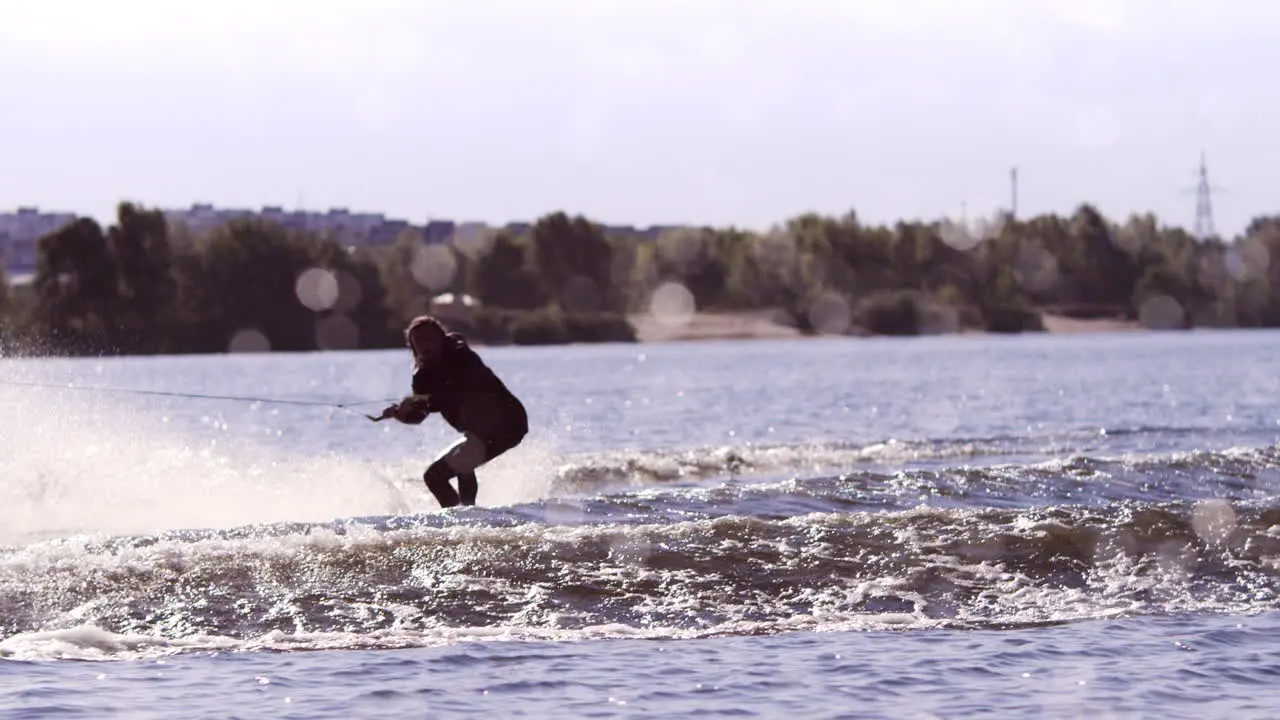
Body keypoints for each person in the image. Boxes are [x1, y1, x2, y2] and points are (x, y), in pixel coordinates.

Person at [379, 315, 528, 508]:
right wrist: (402, 414)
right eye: (419, 344)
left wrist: (426, 400)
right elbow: (420, 414)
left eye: (429, 339)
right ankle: (457, 517)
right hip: (478, 433)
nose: (425, 346)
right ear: (414, 350)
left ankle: (468, 512)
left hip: (508, 422)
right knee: (433, 476)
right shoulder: (422, 377)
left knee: (463, 460)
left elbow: (461, 389)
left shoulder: (462, 356)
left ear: (442, 338)